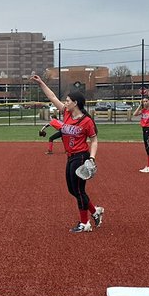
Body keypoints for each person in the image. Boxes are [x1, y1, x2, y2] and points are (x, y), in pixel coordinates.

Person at [30, 74, 103, 233]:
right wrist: (41, 83)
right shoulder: (66, 113)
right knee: (73, 190)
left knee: (78, 190)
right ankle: (95, 211)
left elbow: (94, 140)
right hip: (70, 157)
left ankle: (85, 223)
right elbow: (52, 96)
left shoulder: (87, 121)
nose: (65, 103)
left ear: (75, 103)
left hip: (81, 156)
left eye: (68, 101)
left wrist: (92, 158)